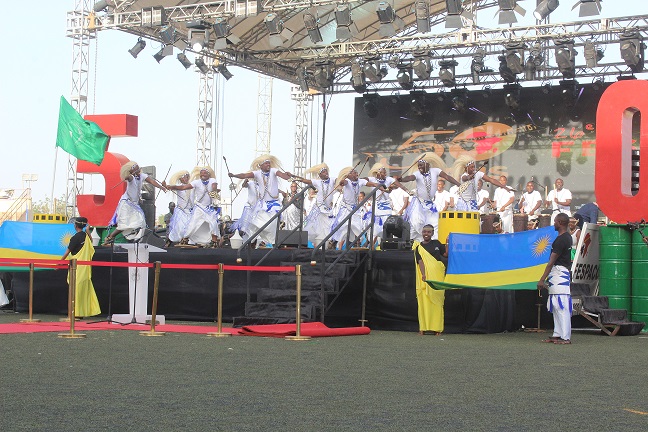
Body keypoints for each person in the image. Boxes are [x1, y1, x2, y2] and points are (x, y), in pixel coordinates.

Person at [229, 155, 292, 247]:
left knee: (273, 223)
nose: (268, 165)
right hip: (263, 205)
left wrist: (288, 177)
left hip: (274, 204)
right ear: (260, 166)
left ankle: (272, 242)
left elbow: (282, 175)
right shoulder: (257, 174)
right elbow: (245, 175)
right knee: (255, 223)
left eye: (269, 163)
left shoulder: (273, 171)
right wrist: (234, 175)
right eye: (266, 163)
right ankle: (251, 242)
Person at [103, 161, 167, 245]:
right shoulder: (131, 178)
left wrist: (161, 187)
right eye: (136, 170)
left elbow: (151, 181)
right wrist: (128, 175)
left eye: (138, 169)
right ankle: (110, 238)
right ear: (132, 171)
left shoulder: (142, 176)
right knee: (124, 224)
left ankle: (137, 241)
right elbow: (128, 178)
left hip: (134, 205)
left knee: (140, 223)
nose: (138, 171)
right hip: (126, 204)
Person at [400, 154, 460, 242]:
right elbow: (409, 178)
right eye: (418, 166)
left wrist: (458, 184)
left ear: (427, 165)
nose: (419, 167)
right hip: (418, 203)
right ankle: (417, 242)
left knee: (435, 223)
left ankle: (434, 243)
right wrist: (402, 179)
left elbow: (447, 177)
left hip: (430, 204)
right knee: (417, 222)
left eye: (421, 165)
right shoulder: (417, 174)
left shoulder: (436, 171)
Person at [537, 213, 573, 345]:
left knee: (561, 304)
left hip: (559, 273)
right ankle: (558, 333)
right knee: (556, 304)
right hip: (558, 273)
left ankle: (565, 336)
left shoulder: (561, 240)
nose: (554, 224)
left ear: (560, 222)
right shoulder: (567, 237)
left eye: (555, 222)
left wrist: (542, 279)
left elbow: (551, 262)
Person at [331, 166, 385, 249]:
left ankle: (357, 246)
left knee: (357, 228)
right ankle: (338, 247)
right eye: (354, 172)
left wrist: (377, 185)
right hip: (345, 209)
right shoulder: (347, 181)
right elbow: (344, 182)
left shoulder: (360, 181)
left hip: (355, 209)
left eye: (356, 172)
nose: (357, 174)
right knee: (344, 229)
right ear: (349, 175)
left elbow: (369, 183)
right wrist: (342, 182)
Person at [165, 166, 221, 247]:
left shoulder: (212, 180)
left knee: (213, 223)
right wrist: (170, 186)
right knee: (191, 224)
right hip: (196, 208)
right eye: (201, 173)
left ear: (209, 174)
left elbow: (214, 187)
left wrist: (214, 192)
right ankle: (183, 239)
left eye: (205, 173)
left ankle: (214, 242)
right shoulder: (196, 183)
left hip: (207, 209)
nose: (203, 174)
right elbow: (182, 187)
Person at [62, 217, 101, 318]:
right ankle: (80, 312)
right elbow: (92, 243)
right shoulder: (86, 236)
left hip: (77, 268)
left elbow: (67, 252)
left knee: (75, 290)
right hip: (85, 269)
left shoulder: (75, 238)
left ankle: (75, 313)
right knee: (83, 291)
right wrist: (88, 231)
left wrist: (59, 263)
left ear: (75, 226)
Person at [413, 224, 447, 335]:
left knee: (437, 301)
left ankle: (437, 329)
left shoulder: (437, 243)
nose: (426, 234)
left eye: (428, 232)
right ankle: (423, 328)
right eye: (424, 232)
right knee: (424, 302)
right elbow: (420, 261)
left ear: (432, 233)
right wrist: (423, 274)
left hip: (437, 275)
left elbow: (445, 254)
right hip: (425, 278)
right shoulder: (418, 247)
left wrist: (447, 243)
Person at [364, 163, 406, 247]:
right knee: (375, 228)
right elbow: (363, 180)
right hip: (376, 206)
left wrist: (407, 190)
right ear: (378, 173)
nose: (386, 174)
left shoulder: (389, 179)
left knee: (388, 225)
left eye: (385, 172)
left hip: (386, 206)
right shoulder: (372, 179)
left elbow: (399, 185)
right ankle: (370, 246)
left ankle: (389, 246)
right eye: (384, 172)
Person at [299, 163, 336, 247]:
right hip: (319, 209)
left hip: (328, 210)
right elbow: (306, 181)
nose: (326, 173)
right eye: (324, 172)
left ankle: (324, 247)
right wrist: (295, 177)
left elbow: (339, 180)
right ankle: (317, 247)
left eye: (326, 171)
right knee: (317, 229)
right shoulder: (317, 182)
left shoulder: (333, 180)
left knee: (327, 230)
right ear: (320, 175)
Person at [165, 171, 194, 247]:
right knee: (180, 227)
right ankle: (171, 241)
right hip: (181, 211)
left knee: (191, 228)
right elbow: (173, 187)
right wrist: (166, 186)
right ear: (181, 179)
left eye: (188, 177)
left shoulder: (192, 186)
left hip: (190, 211)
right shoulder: (179, 186)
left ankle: (187, 241)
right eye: (185, 177)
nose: (187, 178)